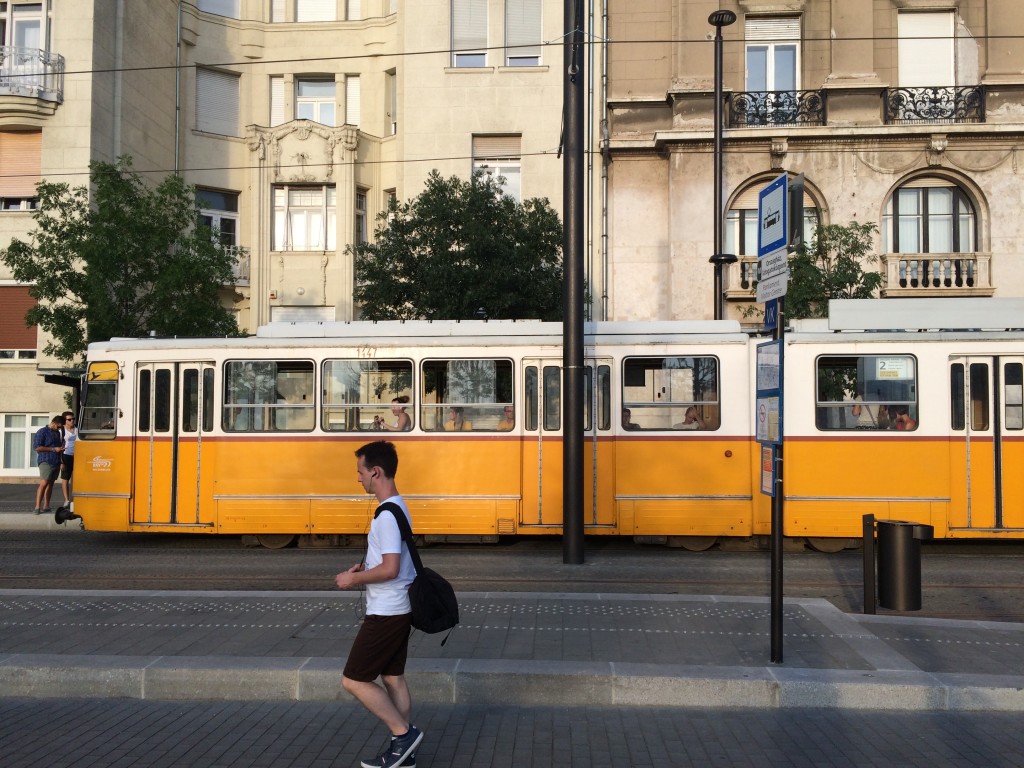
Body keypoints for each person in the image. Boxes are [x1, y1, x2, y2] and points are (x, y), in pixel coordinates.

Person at [336, 441, 423, 768]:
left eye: (360, 472)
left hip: (386, 612)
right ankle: (405, 756)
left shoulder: (386, 515)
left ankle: (404, 735)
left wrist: (352, 579)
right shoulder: (399, 506)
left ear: (376, 471)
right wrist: (364, 567)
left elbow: (390, 568)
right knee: (393, 677)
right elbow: (392, 560)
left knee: (353, 679)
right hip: (400, 607)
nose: (358, 479)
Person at [32, 415, 65, 515]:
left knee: (51, 484)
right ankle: (37, 506)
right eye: (58, 426)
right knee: (44, 483)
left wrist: (61, 460)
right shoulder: (42, 431)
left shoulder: (57, 433)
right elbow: (37, 447)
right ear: (54, 423)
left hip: (55, 460)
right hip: (45, 460)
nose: (59, 429)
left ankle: (46, 506)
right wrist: (53, 449)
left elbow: (58, 447)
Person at [59, 411, 77, 508]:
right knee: (66, 478)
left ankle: (78, 498)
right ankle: (66, 499)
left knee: (78, 477)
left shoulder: (77, 429)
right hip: (66, 455)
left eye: (73, 419)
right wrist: (61, 461)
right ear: (65, 421)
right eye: (69, 419)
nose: (72, 421)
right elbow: (60, 446)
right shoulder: (62, 431)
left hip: (77, 456)